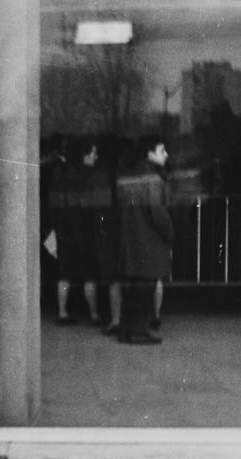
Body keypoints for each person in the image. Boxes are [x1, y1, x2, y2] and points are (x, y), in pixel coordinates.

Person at [115, 136, 174, 345]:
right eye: (162, 150)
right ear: (149, 154)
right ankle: (139, 332)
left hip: (129, 240)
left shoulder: (126, 176)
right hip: (149, 241)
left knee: (131, 288)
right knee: (146, 287)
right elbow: (158, 213)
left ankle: (126, 330)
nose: (166, 154)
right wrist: (170, 235)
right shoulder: (153, 180)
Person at [49, 138, 103, 325]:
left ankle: (62, 313)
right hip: (84, 230)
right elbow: (93, 206)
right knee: (89, 274)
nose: (96, 157)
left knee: (64, 273)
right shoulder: (88, 177)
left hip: (63, 229)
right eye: (93, 153)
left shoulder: (60, 174)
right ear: (83, 155)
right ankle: (94, 314)